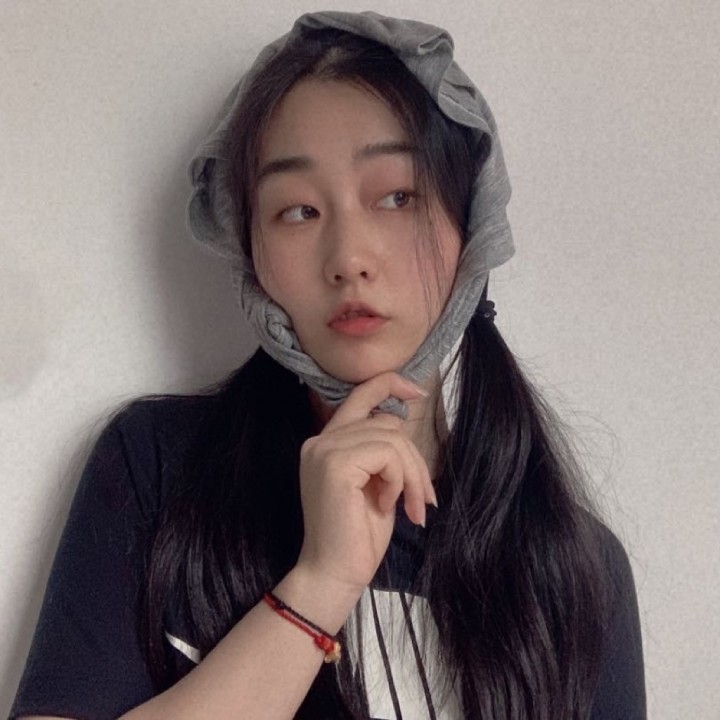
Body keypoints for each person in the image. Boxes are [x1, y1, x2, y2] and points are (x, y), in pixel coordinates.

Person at [10, 11, 646, 720]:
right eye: (298, 211)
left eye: (397, 196)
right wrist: (319, 585)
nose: (348, 257)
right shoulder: (157, 468)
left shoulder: (576, 569)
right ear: (248, 248)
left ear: (472, 225)